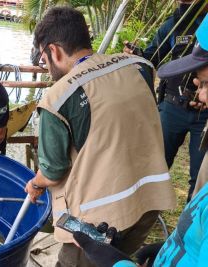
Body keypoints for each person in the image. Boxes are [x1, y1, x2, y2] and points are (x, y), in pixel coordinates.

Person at [24, 6, 176, 267]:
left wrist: (36, 183)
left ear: (53, 50)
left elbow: (53, 171)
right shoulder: (139, 66)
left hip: (98, 225)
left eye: (43, 59)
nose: (47, 68)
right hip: (149, 201)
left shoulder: (58, 98)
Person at [74, 15, 208, 267]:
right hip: (174, 107)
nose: (200, 92)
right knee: (160, 163)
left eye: (206, 83)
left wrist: (116, 263)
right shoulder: (172, 24)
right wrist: (176, 246)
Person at [124, 0, 208, 202]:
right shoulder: (170, 26)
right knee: (156, 164)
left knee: (200, 176)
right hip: (173, 106)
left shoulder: (205, 24)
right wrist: (136, 55)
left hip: (203, 114)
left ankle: (193, 221)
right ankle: (145, 209)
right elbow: (151, 59)